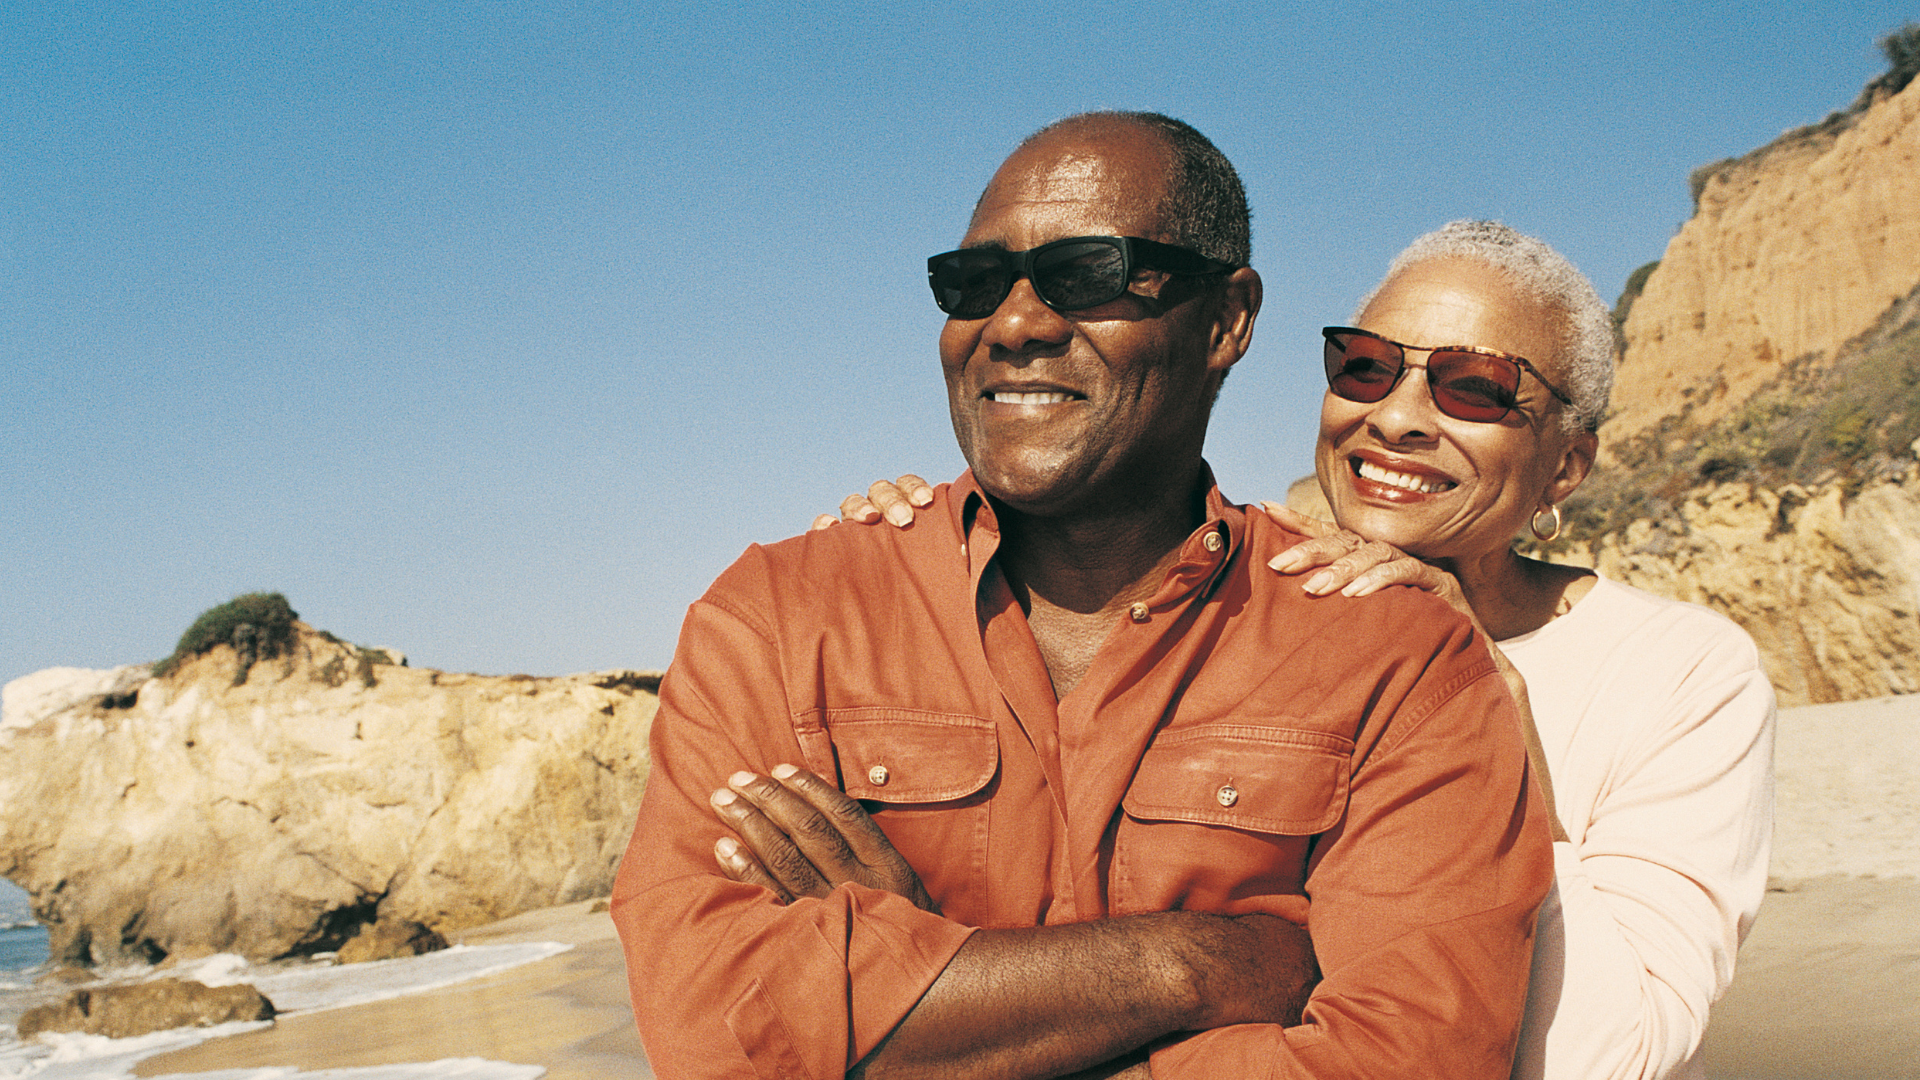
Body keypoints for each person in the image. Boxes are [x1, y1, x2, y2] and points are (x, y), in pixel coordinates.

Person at [611, 112, 1553, 1080]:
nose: (1013, 324)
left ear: (1228, 318)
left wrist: (919, 998)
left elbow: (1404, 1060)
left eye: (1087, 273)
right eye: (973, 285)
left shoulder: (1396, 659)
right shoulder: (780, 619)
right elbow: (714, 1023)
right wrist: (1187, 964)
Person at [832, 220, 1776, 1080]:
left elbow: (1608, 1058)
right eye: (1364, 367)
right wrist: (931, 543)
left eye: (1473, 386)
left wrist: (1484, 701)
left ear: (1567, 463)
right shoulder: (1213, 596)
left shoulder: (1683, 673)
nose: (1398, 415)